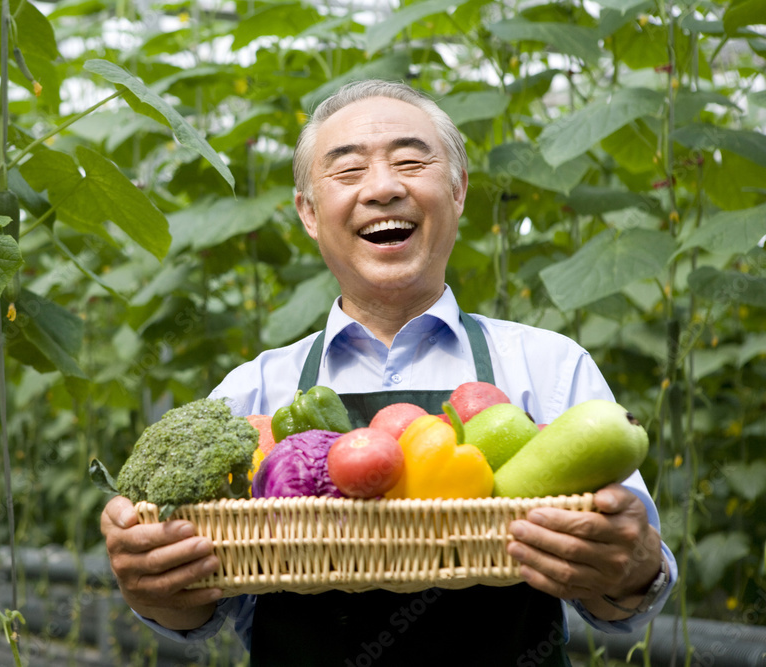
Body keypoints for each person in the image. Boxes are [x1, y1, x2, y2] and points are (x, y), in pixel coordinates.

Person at [100, 79, 676, 666]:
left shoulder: (548, 367)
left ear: (457, 191)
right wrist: (155, 583)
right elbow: (200, 610)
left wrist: (632, 567)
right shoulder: (253, 392)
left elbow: (625, 599)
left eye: (410, 161)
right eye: (347, 172)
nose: (383, 187)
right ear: (308, 212)